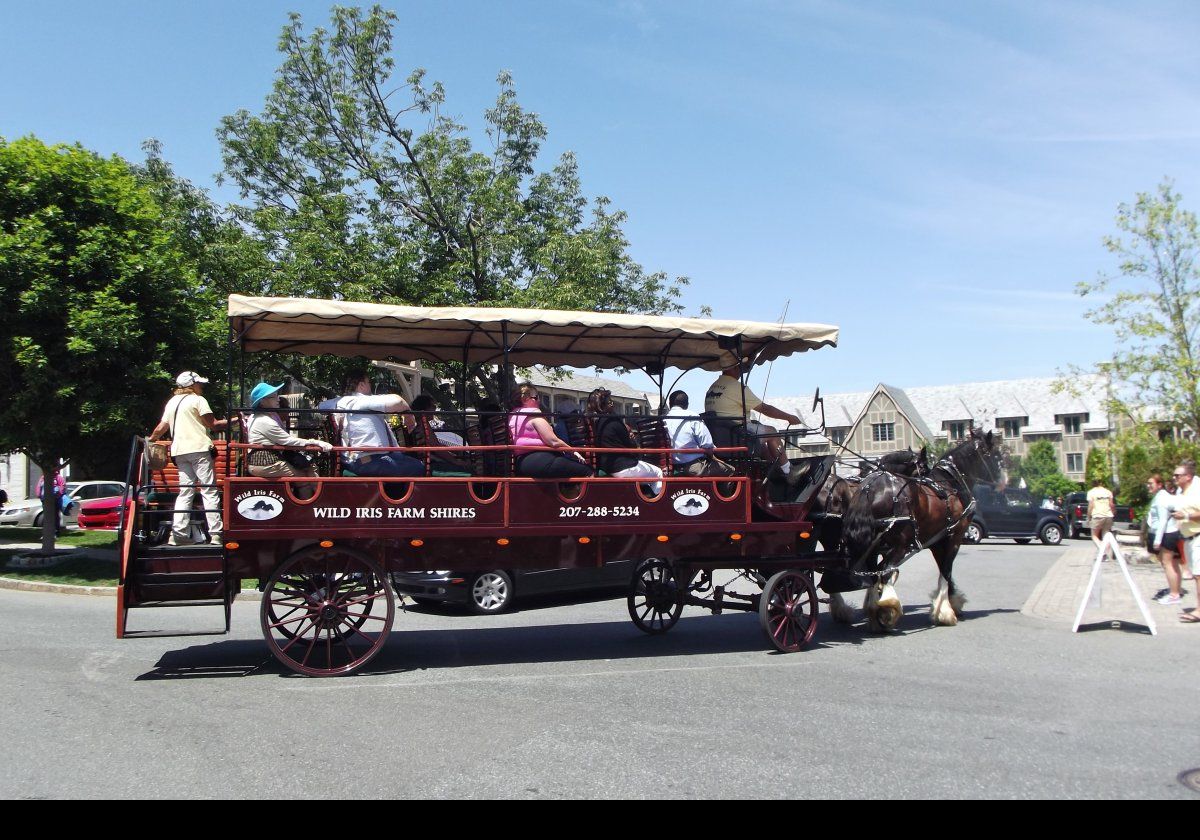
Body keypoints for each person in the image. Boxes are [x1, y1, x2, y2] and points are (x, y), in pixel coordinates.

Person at [147, 371, 231, 546]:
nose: (202, 387)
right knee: (209, 491)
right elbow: (213, 424)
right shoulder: (198, 400)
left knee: (186, 492)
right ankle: (216, 534)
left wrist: (149, 441)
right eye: (199, 384)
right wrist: (236, 420)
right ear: (191, 385)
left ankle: (178, 535)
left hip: (179, 452)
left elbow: (161, 428)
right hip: (199, 449)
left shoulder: (172, 402)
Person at [318, 373, 425, 478]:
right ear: (361, 385)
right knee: (419, 467)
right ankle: (405, 495)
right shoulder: (358, 401)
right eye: (369, 382)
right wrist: (408, 415)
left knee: (409, 462)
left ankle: (396, 494)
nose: (371, 386)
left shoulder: (336, 403)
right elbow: (399, 401)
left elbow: (320, 406)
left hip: (360, 459)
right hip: (369, 460)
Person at [704, 363, 800, 476]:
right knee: (771, 432)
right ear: (734, 368)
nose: (741, 371)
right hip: (736, 435)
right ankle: (789, 472)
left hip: (721, 436)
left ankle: (773, 471)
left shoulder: (713, 387)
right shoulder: (736, 387)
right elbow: (765, 409)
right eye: (739, 368)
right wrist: (789, 418)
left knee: (760, 437)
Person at [246, 382, 333, 500]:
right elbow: (287, 441)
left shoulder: (263, 416)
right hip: (266, 462)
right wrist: (316, 442)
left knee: (307, 467)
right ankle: (308, 508)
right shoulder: (264, 421)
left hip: (269, 460)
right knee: (302, 478)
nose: (278, 399)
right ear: (262, 401)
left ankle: (319, 500)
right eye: (273, 396)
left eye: (277, 395)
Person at [508, 382, 592, 480]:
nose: (539, 400)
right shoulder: (534, 416)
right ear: (525, 399)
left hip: (522, 462)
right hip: (540, 460)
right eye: (536, 397)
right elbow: (553, 441)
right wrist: (573, 451)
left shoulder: (514, 416)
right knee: (587, 470)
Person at [588, 388, 663, 495]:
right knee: (658, 473)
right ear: (608, 404)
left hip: (607, 466)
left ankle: (643, 497)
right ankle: (656, 505)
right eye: (610, 401)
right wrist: (633, 441)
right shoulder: (614, 421)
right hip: (623, 466)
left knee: (646, 474)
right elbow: (630, 446)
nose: (612, 403)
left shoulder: (599, 422)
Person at [663, 390, 734, 477]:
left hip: (673, 466)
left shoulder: (664, 419)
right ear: (687, 404)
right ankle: (719, 491)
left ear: (670, 404)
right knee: (730, 470)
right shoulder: (693, 417)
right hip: (694, 466)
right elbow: (707, 444)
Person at [1146, 474, 1185, 605]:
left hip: (1166, 534)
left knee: (1167, 564)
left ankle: (1174, 595)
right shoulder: (1161, 497)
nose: (1148, 486)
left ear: (1159, 485)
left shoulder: (1161, 498)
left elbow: (1162, 520)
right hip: (1170, 532)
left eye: (1151, 483)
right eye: (1148, 483)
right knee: (1173, 563)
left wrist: (1157, 540)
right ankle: (1176, 590)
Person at [1171, 461, 1200, 622]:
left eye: (1178, 475)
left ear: (1188, 476)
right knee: (1196, 575)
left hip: (1198, 537)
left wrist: (1186, 516)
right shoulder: (1181, 493)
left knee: (1199, 575)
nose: (1174, 477)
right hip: (1188, 538)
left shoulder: (1197, 491)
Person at [1086, 478, 1115, 558]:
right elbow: (1111, 505)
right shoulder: (1108, 492)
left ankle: (1103, 551)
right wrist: (1113, 513)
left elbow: (1091, 506)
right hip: (1108, 515)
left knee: (1094, 536)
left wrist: (1088, 517)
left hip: (1097, 515)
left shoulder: (1091, 492)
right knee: (1106, 536)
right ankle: (1105, 550)